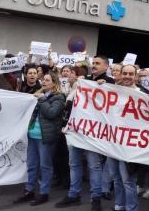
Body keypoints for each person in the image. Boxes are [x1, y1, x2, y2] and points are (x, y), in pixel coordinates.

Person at [56, 56, 112, 210]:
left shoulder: (110, 83)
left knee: (94, 165)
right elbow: (71, 101)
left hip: (93, 132)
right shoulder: (84, 80)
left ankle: (96, 198)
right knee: (74, 164)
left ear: (106, 67)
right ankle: (74, 194)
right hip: (76, 129)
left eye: (97, 63)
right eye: (93, 63)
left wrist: (104, 86)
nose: (94, 66)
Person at [13, 73, 65, 206]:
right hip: (32, 135)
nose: (43, 82)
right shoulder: (38, 95)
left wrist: (42, 99)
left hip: (45, 138)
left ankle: (44, 193)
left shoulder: (59, 97)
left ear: (54, 83)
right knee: (32, 165)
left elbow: (52, 113)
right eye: (43, 80)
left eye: (47, 80)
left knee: (45, 166)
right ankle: (29, 190)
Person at [107, 64, 140, 211]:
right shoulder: (113, 90)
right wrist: (100, 86)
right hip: (112, 142)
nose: (127, 76)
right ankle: (119, 205)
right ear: (120, 74)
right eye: (124, 73)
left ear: (135, 76)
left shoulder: (142, 94)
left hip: (129, 145)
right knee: (116, 178)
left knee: (128, 180)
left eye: (130, 74)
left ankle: (131, 208)